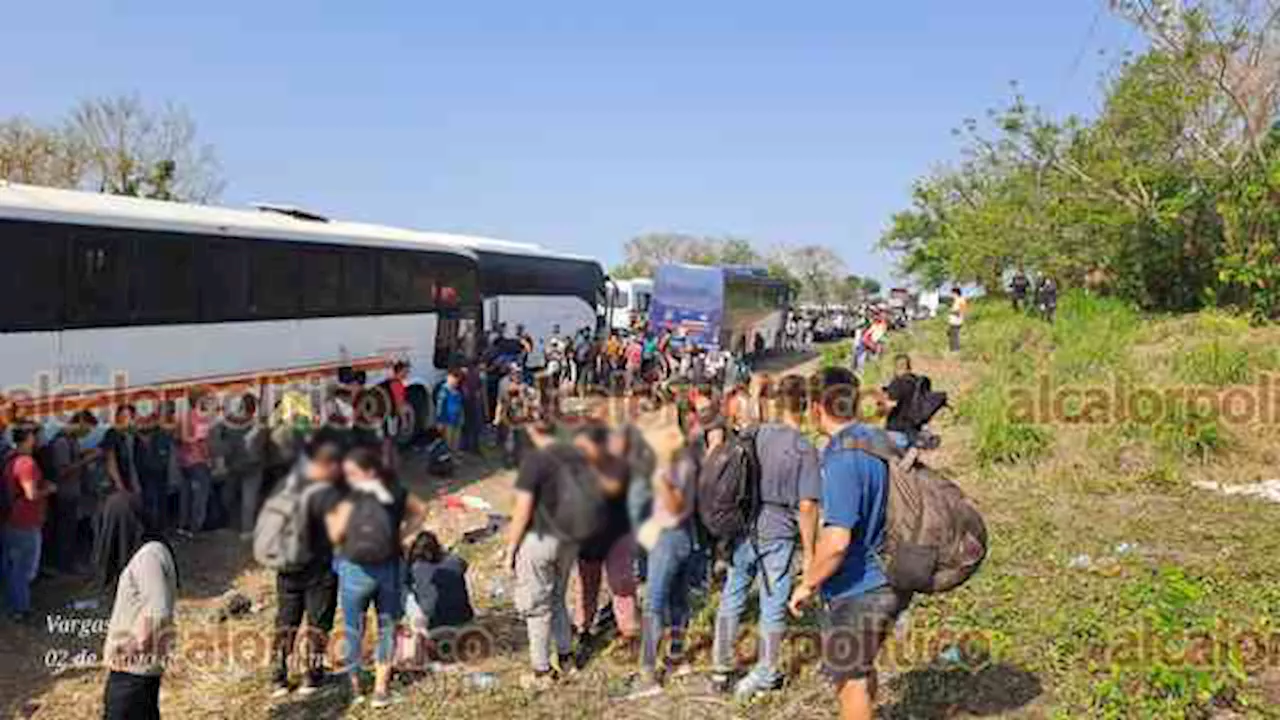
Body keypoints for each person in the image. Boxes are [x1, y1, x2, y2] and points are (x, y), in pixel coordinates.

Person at [788, 367, 911, 720]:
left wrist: (808, 582)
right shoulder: (878, 439)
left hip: (860, 586)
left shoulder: (841, 458)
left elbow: (838, 541)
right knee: (862, 666)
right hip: (892, 575)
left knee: (849, 681)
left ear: (816, 407)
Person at [710, 376, 822, 698]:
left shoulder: (755, 434)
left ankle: (720, 667)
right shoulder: (804, 447)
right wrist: (811, 553)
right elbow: (807, 506)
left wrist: (757, 391)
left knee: (733, 593)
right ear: (805, 407)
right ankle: (767, 673)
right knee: (772, 606)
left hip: (745, 528)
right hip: (780, 534)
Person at [325, 446, 425, 707]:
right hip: (388, 567)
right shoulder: (395, 492)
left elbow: (335, 535)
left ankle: (356, 688)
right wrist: (401, 536)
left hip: (355, 570)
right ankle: (381, 690)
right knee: (386, 629)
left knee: (353, 629)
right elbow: (421, 511)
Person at [504, 428, 604, 688]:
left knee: (537, 606)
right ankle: (566, 658)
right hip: (569, 539)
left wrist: (511, 549)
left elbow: (522, 509)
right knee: (557, 598)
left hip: (540, 539)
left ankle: (542, 672)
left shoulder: (535, 461)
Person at [268, 430, 347, 698]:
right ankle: (311, 678)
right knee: (317, 624)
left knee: (285, 624)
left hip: (286, 571)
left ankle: (278, 678)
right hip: (318, 569)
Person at [573, 427, 639, 664]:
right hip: (589, 539)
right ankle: (583, 629)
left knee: (621, 585)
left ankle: (629, 633)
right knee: (587, 585)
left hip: (617, 534)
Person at [101, 527, 177, 720]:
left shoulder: (147, 558)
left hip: (132, 671)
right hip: (142, 671)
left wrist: (132, 646)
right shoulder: (155, 552)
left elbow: (157, 610)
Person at [3, 424, 55, 620]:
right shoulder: (27, 463)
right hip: (25, 522)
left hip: (12, 520)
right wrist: (48, 490)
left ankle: (13, 605)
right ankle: (20, 609)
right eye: (36, 435)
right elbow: (31, 494)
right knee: (24, 569)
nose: (40, 439)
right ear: (29, 439)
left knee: (12, 566)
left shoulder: (10, 459)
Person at [45, 410, 99, 575]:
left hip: (73, 492)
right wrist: (85, 461)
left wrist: (85, 454)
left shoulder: (72, 440)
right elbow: (63, 471)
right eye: (87, 429)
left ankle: (68, 562)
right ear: (80, 422)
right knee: (65, 531)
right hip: (64, 493)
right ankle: (64, 565)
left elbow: (73, 458)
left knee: (71, 529)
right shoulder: (62, 442)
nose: (87, 434)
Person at [405, 530, 474, 631]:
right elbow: (464, 565)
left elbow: (405, 583)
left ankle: (418, 632)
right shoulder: (454, 560)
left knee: (408, 594)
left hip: (435, 624)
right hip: (464, 619)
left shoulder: (417, 568)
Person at [177, 390, 216, 535]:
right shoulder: (201, 419)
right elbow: (202, 442)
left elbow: (178, 438)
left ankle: (182, 525)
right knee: (200, 496)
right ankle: (195, 528)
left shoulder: (183, 417)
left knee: (186, 495)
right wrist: (208, 459)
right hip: (198, 461)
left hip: (183, 462)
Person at [493, 363, 538, 468]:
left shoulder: (523, 383)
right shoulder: (504, 383)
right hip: (508, 414)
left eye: (519, 373)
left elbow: (532, 395)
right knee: (509, 439)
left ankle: (517, 460)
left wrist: (528, 393)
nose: (517, 375)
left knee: (519, 439)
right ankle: (508, 461)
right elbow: (500, 401)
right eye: (515, 372)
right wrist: (497, 417)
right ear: (510, 373)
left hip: (520, 415)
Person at [434, 370, 465, 452]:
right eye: (455, 379)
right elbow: (440, 407)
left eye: (457, 380)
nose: (456, 382)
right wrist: (439, 421)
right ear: (449, 378)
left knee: (456, 441)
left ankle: (454, 456)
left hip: (457, 420)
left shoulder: (457, 390)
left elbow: (460, 405)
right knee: (448, 442)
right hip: (447, 421)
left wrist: (462, 417)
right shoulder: (444, 390)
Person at [947, 287, 966, 353]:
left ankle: (956, 350)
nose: (951, 295)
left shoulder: (961, 300)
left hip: (957, 321)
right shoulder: (955, 301)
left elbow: (962, 310)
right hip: (952, 321)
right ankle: (952, 349)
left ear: (955, 293)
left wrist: (953, 311)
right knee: (951, 335)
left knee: (955, 336)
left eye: (952, 293)